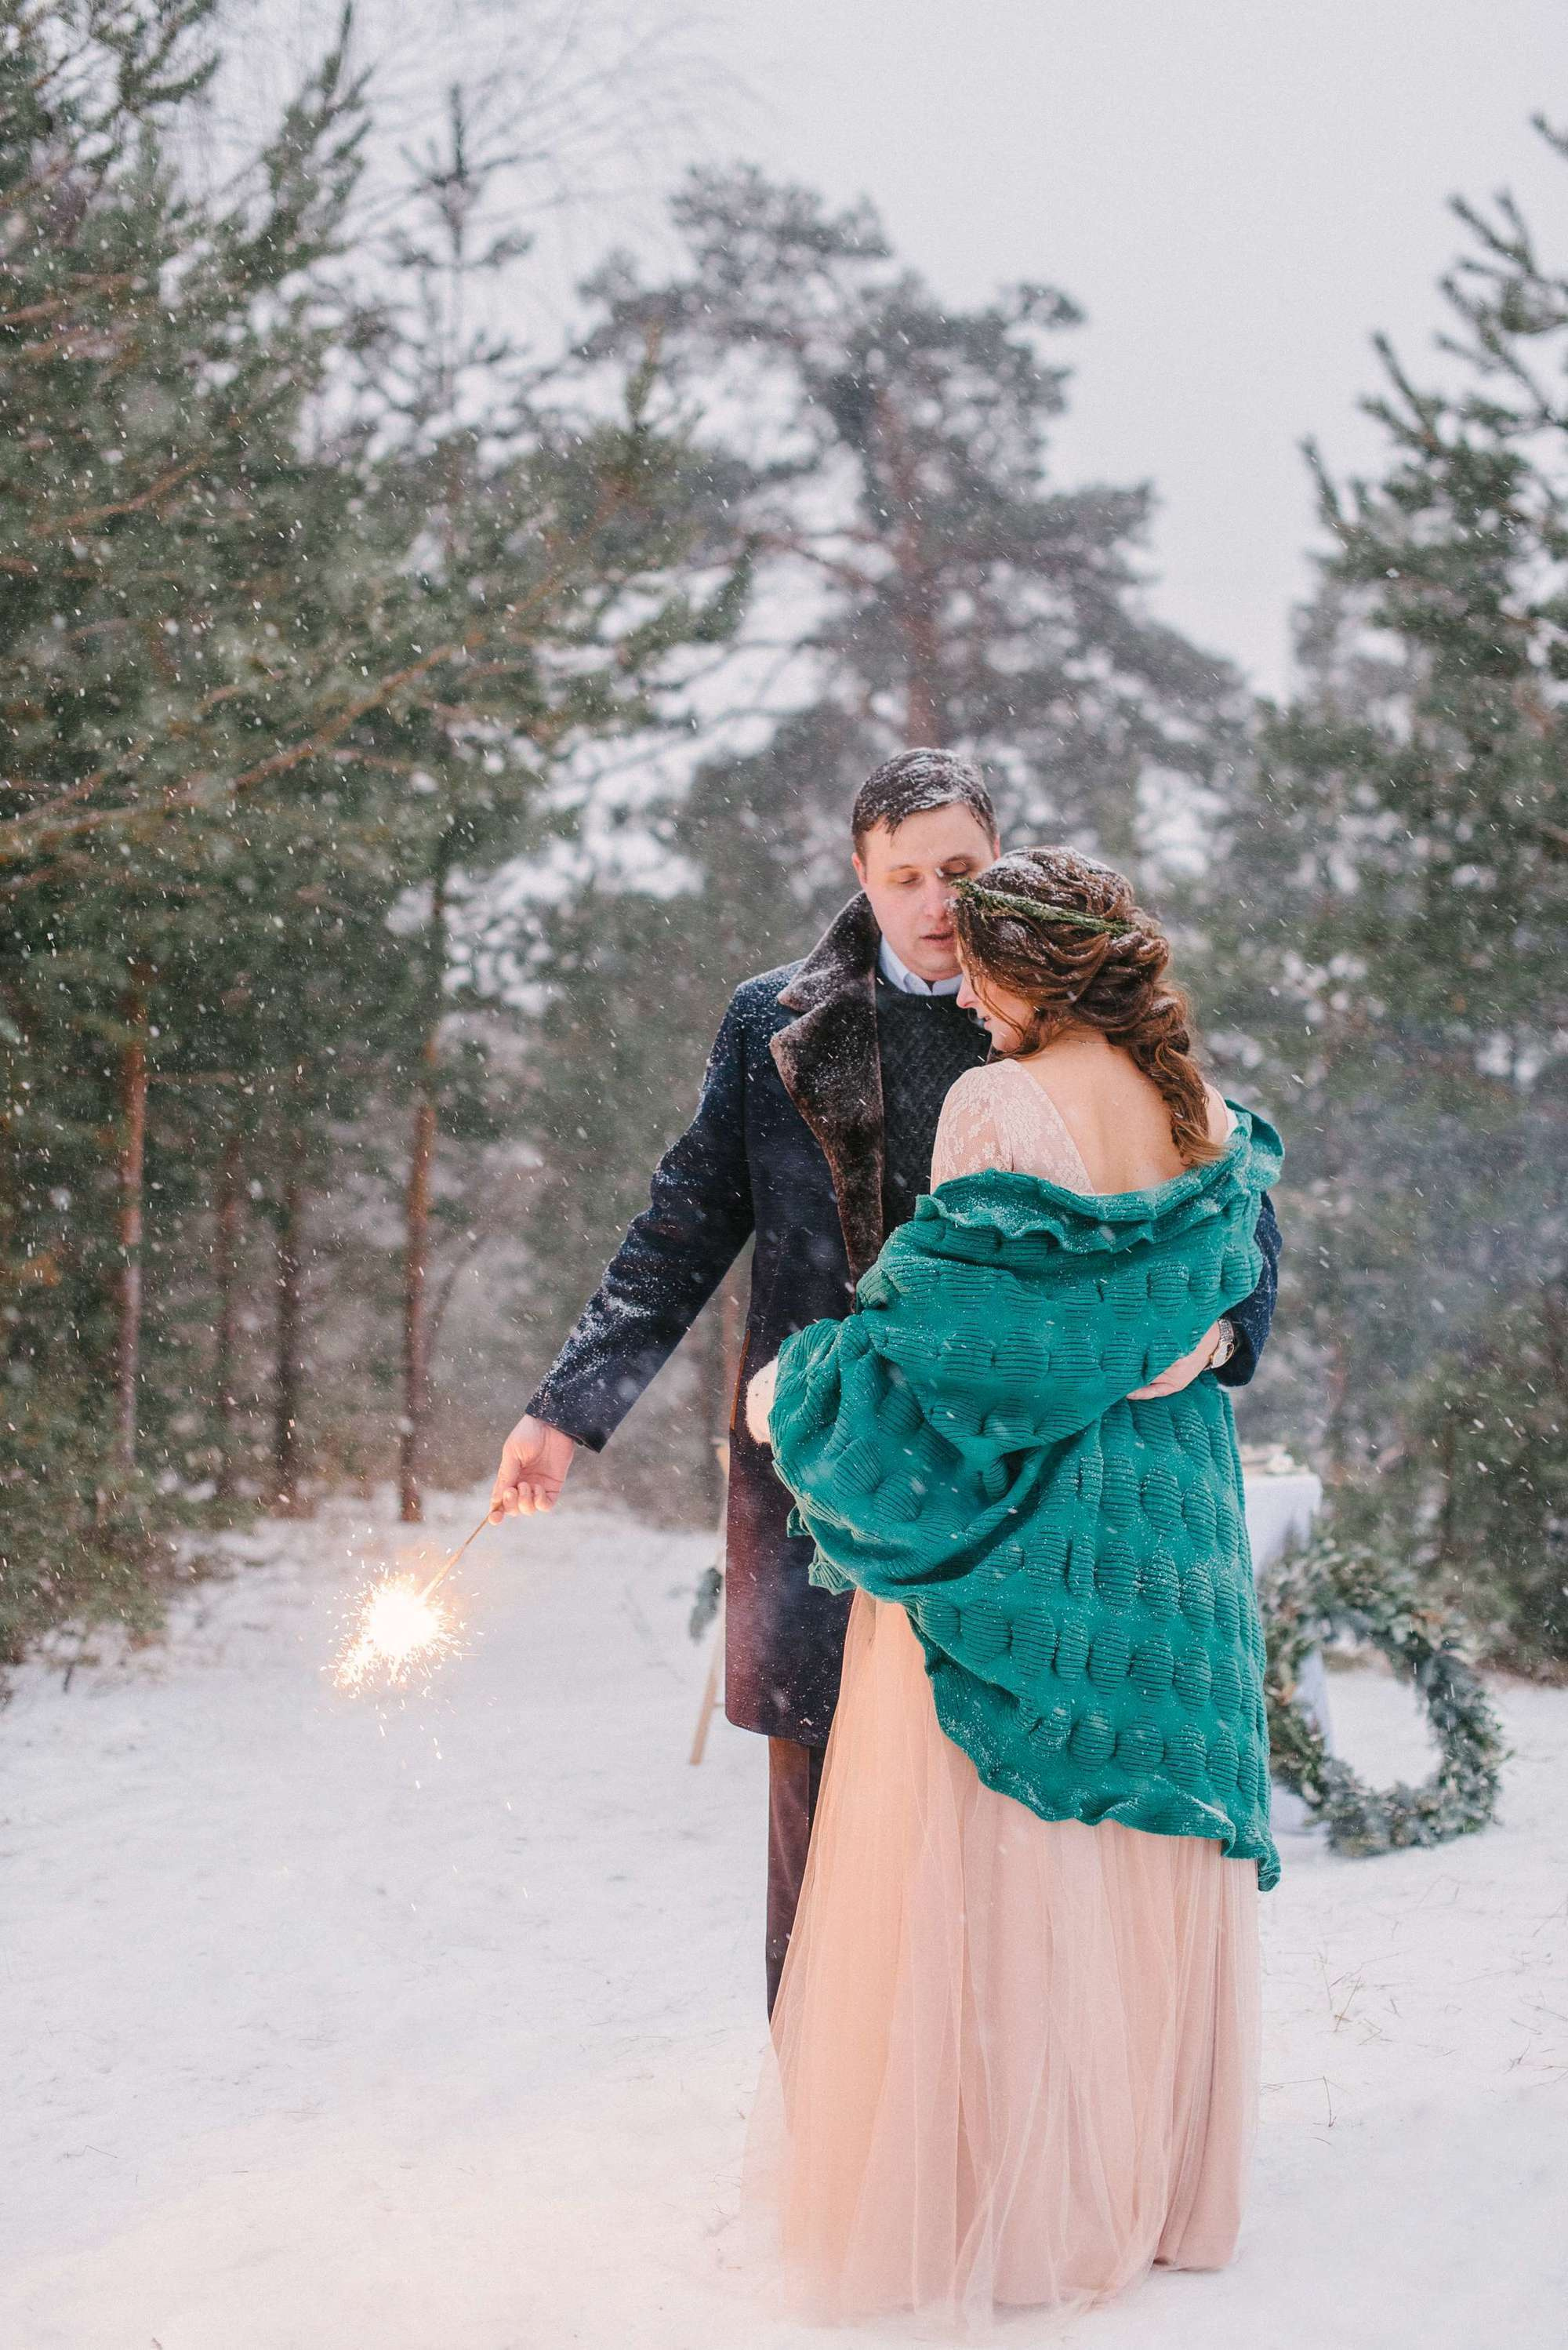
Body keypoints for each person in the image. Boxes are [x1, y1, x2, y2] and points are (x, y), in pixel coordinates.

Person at [488, 753, 1281, 2013]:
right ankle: (825, 2116)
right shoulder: (775, 1025)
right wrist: (565, 1410)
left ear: (998, 865)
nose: (932, 902)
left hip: (1017, 1485)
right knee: (820, 1791)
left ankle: (977, 2104)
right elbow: (686, 1224)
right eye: (903, 874)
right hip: (821, 1475)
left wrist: (1225, 1334)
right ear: (860, 876)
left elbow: (1211, 1190)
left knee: (987, 1795)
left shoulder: (1074, 1009)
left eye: (959, 872)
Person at [742, 845, 1282, 2328]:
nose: (964, 996)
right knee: (1133, 1835)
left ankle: (1024, 2198)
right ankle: (1153, 2182)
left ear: (1032, 972)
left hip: (1043, 1524)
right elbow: (1205, 1293)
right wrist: (1198, 1345)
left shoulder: (999, 1104)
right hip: (1173, 1525)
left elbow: (956, 1348)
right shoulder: (1204, 1110)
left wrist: (799, 1391)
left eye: (980, 969)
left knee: (1013, 1843)